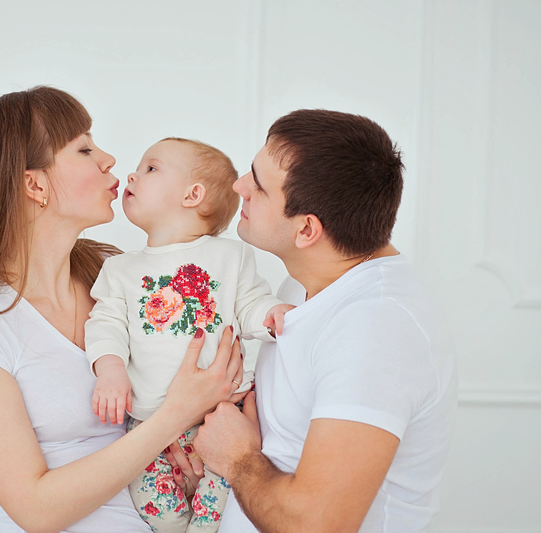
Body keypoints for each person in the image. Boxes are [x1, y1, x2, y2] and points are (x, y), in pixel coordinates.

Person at [0, 86, 246, 533]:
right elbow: (36, 509)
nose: (108, 160)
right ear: (35, 184)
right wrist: (175, 416)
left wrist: (200, 457)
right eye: (84, 149)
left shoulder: (114, 273)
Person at [192, 110, 458, 533]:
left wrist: (237, 460)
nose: (239, 186)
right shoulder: (306, 283)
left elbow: (316, 525)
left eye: (258, 185)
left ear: (306, 230)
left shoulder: (376, 327)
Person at [84, 138, 294, 532]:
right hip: (149, 430)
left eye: (151, 168)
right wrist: (110, 370)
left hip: (222, 419)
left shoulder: (230, 257)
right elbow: (105, 324)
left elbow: (250, 303)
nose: (132, 175)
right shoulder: (119, 270)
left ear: (192, 195)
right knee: (161, 516)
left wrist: (270, 315)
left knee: (219, 514)